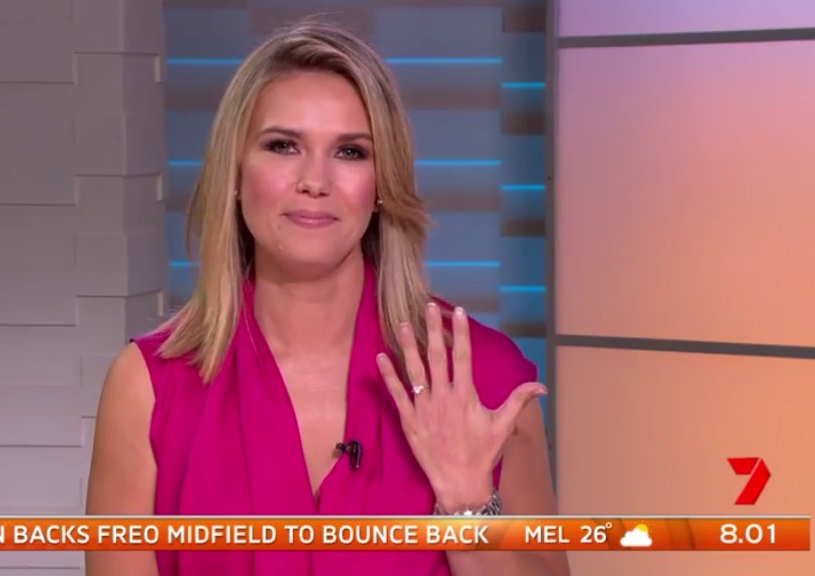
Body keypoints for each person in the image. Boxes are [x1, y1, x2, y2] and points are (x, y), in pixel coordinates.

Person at [85, 17, 570, 576]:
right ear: (235, 174)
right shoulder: (147, 389)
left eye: (349, 152)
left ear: (381, 184)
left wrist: (466, 504)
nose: (314, 180)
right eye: (283, 145)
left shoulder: (484, 378)